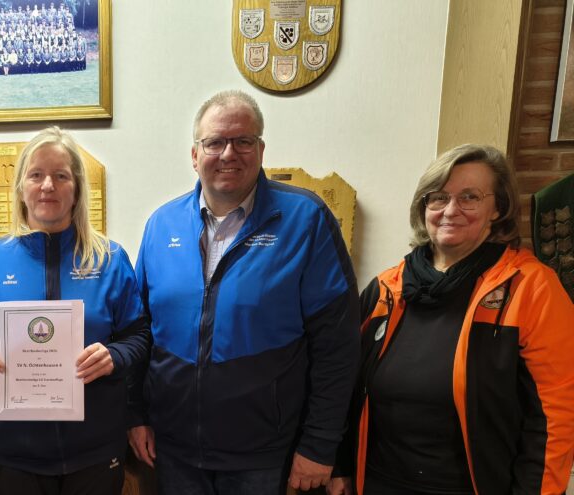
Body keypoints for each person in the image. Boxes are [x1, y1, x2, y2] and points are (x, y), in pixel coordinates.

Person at [129, 89, 360, 494]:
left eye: (243, 141)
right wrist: (137, 415)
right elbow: (140, 331)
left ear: (261, 150)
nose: (228, 153)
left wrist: (320, 446)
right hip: (174, 449)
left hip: (263, 455)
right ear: (195, 155)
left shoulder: (306, 219)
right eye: (215, 142)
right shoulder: (161, 225)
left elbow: (337, 345)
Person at [329, 144, 574, 495]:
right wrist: (340, 464)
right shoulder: (386, 289)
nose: (450, 210)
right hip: (379, 482)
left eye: (470, 197)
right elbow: (344, 385)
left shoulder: (531, 288)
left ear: (498, 208)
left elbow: (555, 417)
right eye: (438, 197)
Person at [0, 127, 150, 495]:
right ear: (20, 187)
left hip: (95, 451)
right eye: (36, 175)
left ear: (76, 189)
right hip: (18, 454)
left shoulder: (109, 259)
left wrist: (115, 356)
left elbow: (140, 335)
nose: (48, 185)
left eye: (61, 176)